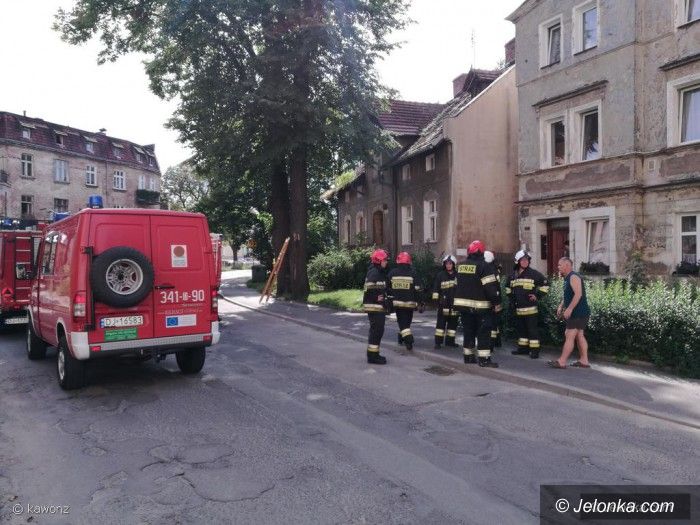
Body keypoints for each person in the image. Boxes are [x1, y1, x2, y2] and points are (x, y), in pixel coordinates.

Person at [453, 240, 502, 367]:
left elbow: (455, 286)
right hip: (481, 308)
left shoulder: (460, 266)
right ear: (481, 252)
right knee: (483, 332)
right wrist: (496, 302)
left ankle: (468, 357)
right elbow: (490, 288)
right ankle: (484, 359)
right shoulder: (484, 266)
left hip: (464, 307)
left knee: (468, 331)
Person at [548, 257, 591, 369]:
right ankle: (584, 360)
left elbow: (578, 294)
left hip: (578, 313)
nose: (558, 267)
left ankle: (562, 361)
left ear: (567, 265)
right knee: (579, 335)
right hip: (580, 313)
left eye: (560, 265)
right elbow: (568, 294)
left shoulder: (573, 277)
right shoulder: (567, 278)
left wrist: (570, 309)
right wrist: (561, 305)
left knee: (569, 334)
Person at [506, 249, 549, 359]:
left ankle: (535, 351)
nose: (525, 262)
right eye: (523, 260)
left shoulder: (533, 274)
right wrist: (511, 299)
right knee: (521, 330)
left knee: (532, 331)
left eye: (527, 260)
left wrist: (537, 295)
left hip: (530, 309)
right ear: (517, 261)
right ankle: (523, 349)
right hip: (518, 309)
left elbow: (546, 284)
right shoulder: (513, 275)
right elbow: (507, 288)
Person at [388, 251, 423, 351]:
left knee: (402, 322)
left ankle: (404, 338)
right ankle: (407, 339)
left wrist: (390, 297)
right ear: (409, 261)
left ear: (398, 261)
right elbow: (418, 289)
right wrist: (420, 302)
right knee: (407, 322)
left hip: (398, 304)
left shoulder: (392, 273)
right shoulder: (413, 273)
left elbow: (387, 287)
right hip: (410, 304)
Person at [362, 249, 390, 365]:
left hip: (377, 307)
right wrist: (376, 298)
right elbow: (368, 288)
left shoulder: (378, 272)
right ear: (379, 261)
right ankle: (372, 357)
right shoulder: (374, 273)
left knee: (378, 331)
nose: (386, 262)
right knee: (376, 331)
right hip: (374, 307)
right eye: (384, 260)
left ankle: (374, 354)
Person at [432, 254, 459, 349]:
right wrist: (436, 302)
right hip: (443, 305)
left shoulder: (458, 275)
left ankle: (450, 342)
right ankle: (438, 343)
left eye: (450, 263)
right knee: (440, 325)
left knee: (453, 325)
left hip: (454, 305)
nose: (448, 265)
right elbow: (436, 289)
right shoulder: (440, 275)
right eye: (447, 263)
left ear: (454, 264)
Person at [483, 251, 503, 352]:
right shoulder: (495, 270)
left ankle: (491, 344)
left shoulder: (488, 271)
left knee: (491, 324)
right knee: (495, 322)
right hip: (497, 299)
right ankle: (497, 342)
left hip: (491, 300)